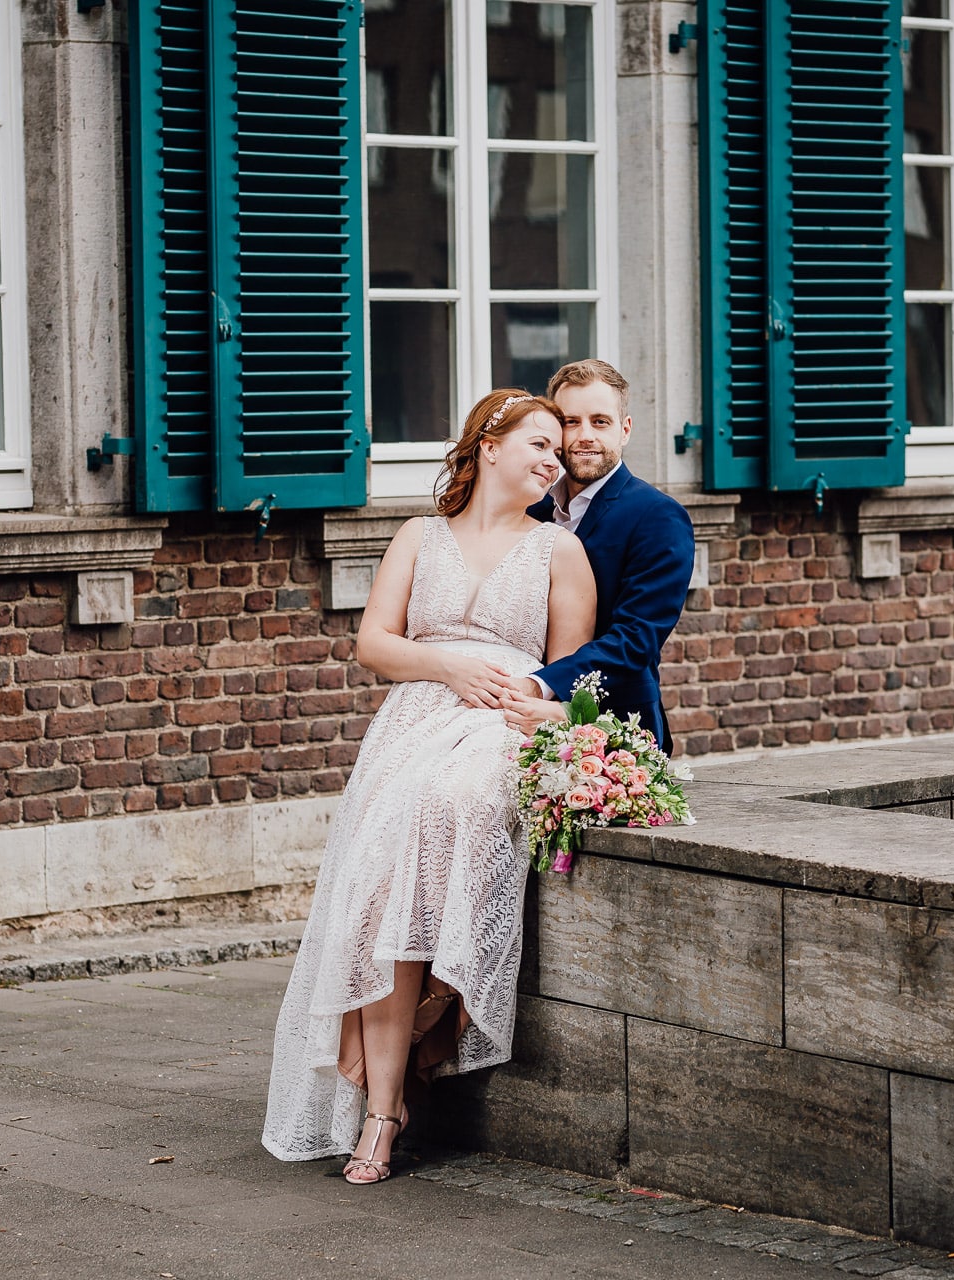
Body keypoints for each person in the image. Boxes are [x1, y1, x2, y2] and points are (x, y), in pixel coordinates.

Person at [261, 389, 598, 1184]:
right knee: (379, 890)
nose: (555, 460)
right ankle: (381, 1112)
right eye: (540, 444)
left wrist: (523, 703)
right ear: (487, 444)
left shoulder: (560, 552)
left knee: (455, 805)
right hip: (413, 719)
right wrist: (445, 662)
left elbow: (571, 676)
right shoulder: (419, 536)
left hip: (500, 724)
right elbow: (374, 642)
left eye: (559, 450)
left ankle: (438, 1015)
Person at [501, 359, 696, 751]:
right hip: (511, 711)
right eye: (571, 422)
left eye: (600, 421)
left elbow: (635, 639)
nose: (585, 435)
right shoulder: (532, 510)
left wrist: (541, 686)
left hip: (615, 727)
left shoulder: (658, 516)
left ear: (625, 430)